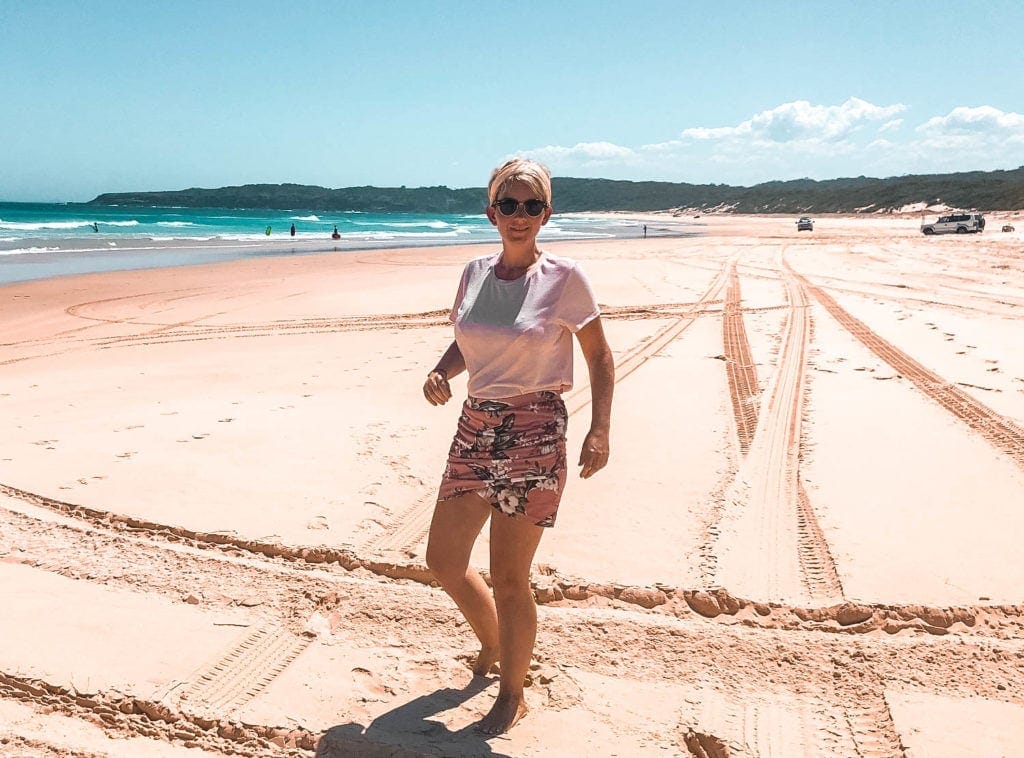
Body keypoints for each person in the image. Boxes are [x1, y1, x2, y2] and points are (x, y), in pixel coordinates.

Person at [422, 158, 614, 735]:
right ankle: (495, 645)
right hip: (476, 427)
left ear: (547, 214)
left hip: (535, 432)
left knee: (509, 577)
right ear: (491, 212)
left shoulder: (565, 277)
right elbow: (469, 340)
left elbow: (599, 357)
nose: (520, 215)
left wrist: (599, 428)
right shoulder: (475, 272)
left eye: (532, 206)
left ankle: (511, 691)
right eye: (509, 204)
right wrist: (441, 370)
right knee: (444, 561)